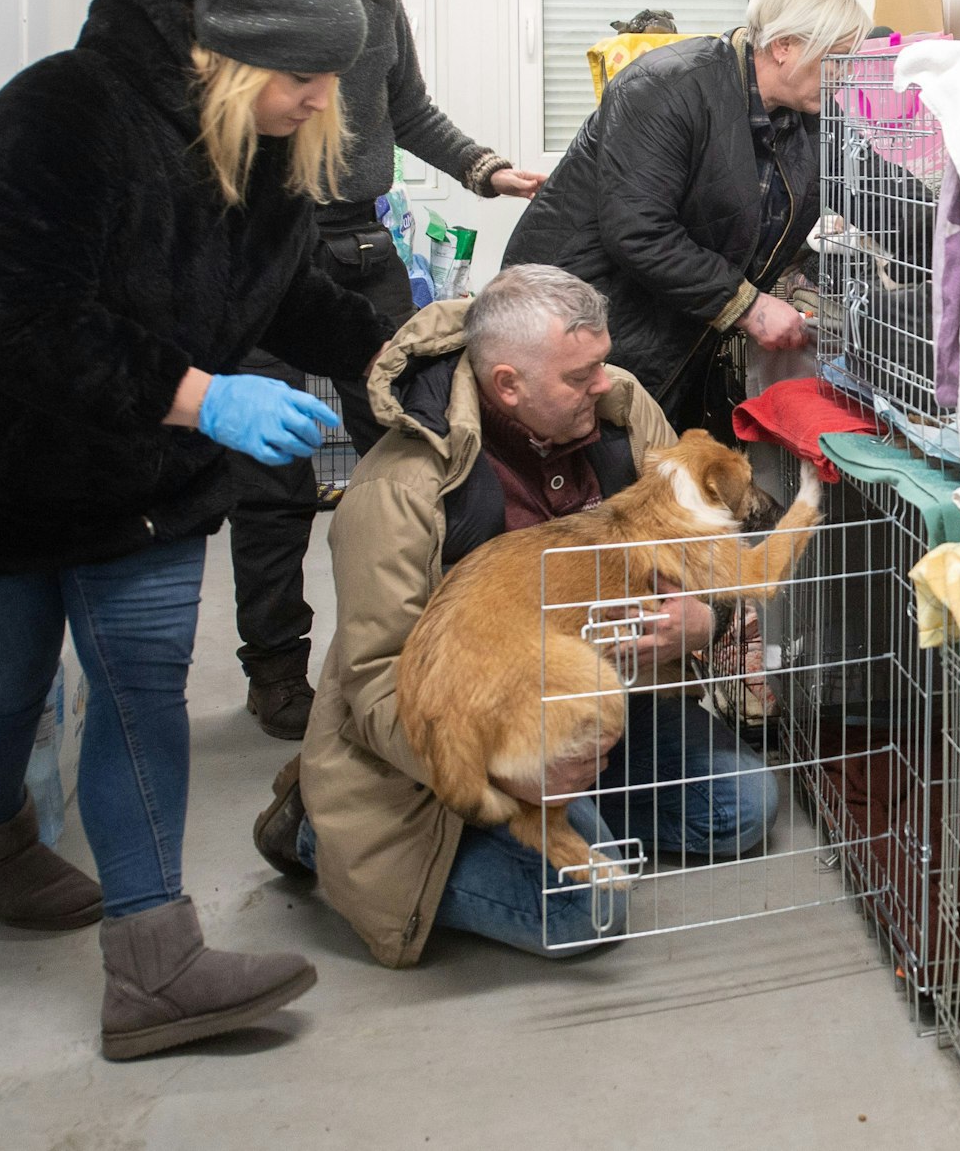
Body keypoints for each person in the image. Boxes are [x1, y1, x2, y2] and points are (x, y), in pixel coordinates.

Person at [0, 0, 391, 1060]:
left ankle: (154, 964)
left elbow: (289, 294)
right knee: (3, 690)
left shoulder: (272, 148)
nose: (322, 100)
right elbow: (15, 321)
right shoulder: (61, 111)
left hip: (138, 463)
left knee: (140, 684)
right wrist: (206, 396)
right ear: (231, 59)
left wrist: (405, 354)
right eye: (303, 76)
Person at [250, 266, 780, 966]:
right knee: (587, 913)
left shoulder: (623, 413)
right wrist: (510, 778)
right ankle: (319, 824)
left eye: (601, 361)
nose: (605, 383)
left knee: (743, 807)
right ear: (508, 385)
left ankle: (576, 809)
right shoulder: (399, 488)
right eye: (580, 375)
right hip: (464, 736)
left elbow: (701, 557)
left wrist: (704, 620)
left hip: (588, 700)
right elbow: (376, 681)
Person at [223, 0, 550, 741]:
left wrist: (487, 169)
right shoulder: (232, 15)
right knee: (270, 478)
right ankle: (275, 668)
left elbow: (410, 112)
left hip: (361, 244)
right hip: (261, 246)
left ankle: (429, 641)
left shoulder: (373, 0)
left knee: (416, 445)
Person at [502, 0, 869, 437]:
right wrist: (748, 306)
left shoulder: (812, 116)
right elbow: (639, 231)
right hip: (578, 322)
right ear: (784, 46)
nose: (845, 75)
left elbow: (878, 186)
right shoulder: (664, 86)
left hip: (677, 328)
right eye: (836, 58)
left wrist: (950, 233)